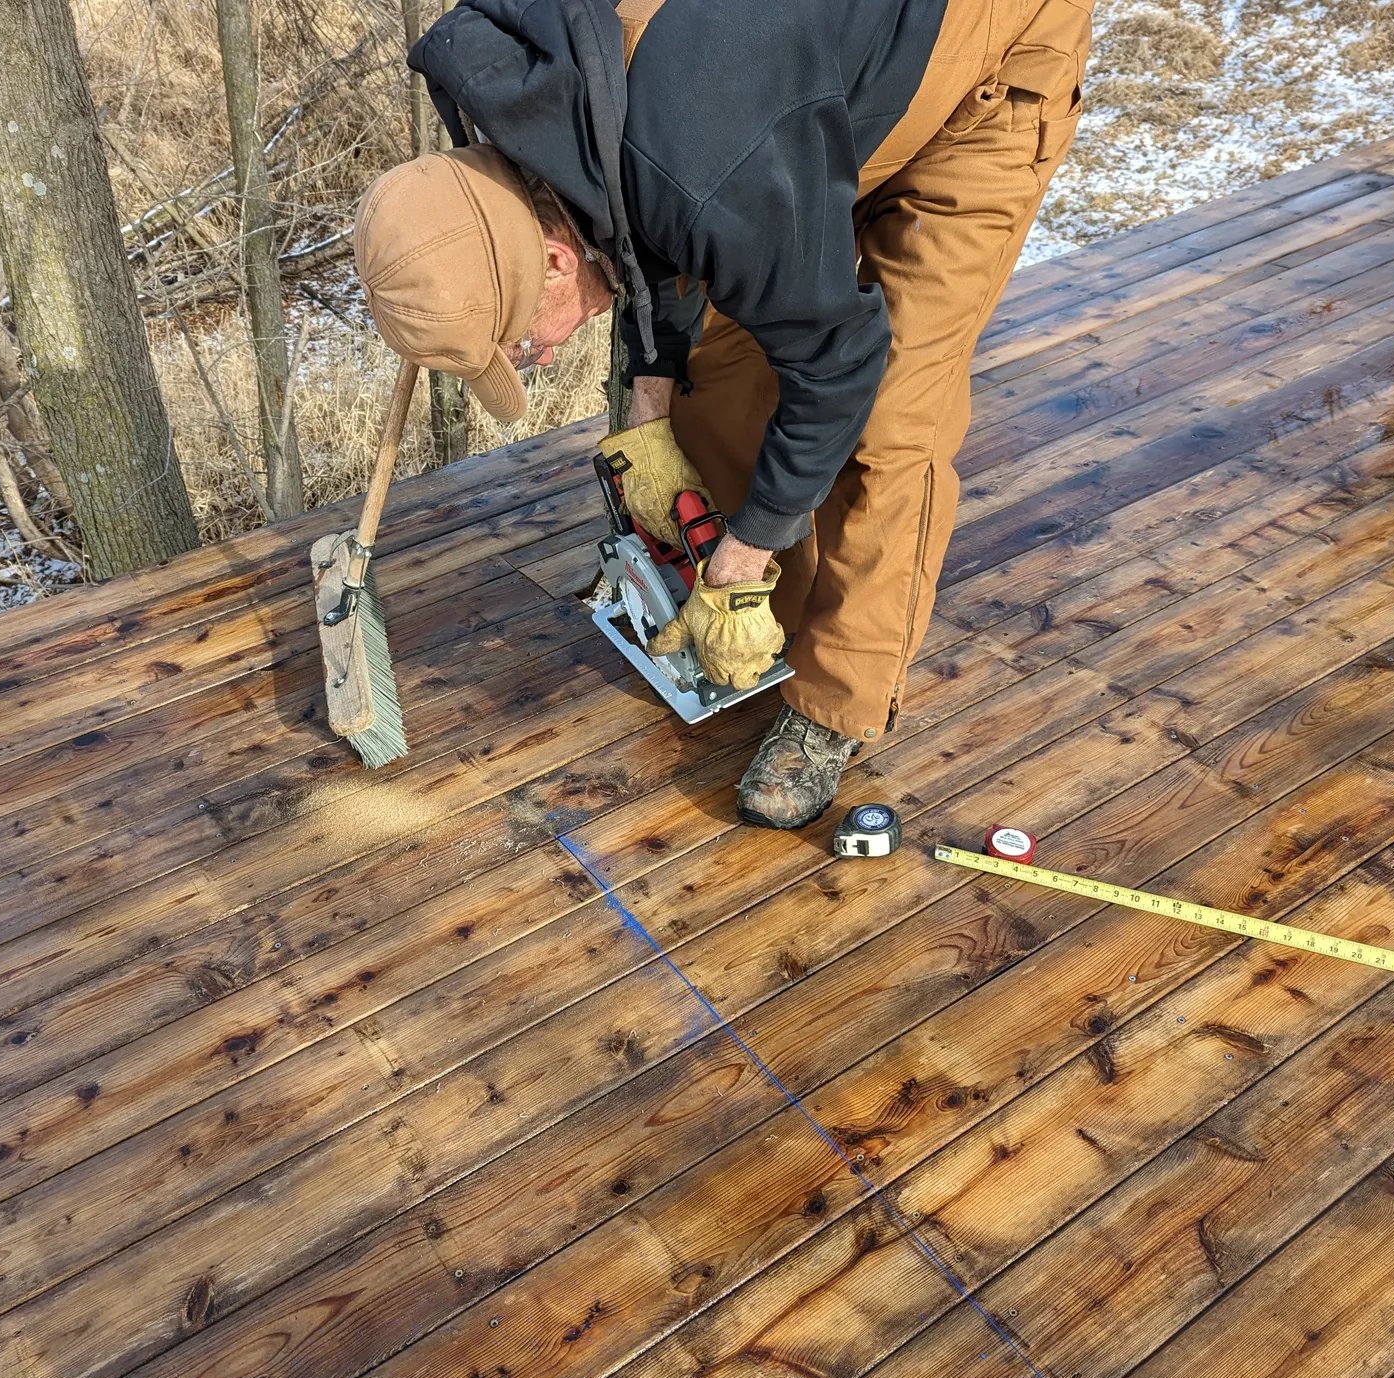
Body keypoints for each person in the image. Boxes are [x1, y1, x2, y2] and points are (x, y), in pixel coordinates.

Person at [353, 0, 1090, 828]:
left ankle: (832, 704)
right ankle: (759, 611)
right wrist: (650, 406)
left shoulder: (702, 167)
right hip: (791, 83)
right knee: (719, 365)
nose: (544, 355)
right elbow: (634, 226)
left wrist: (740, 558)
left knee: (889, 416)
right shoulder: (521, 101)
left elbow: (835, 361)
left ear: (555, 263)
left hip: (979, 69)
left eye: (524, 341)